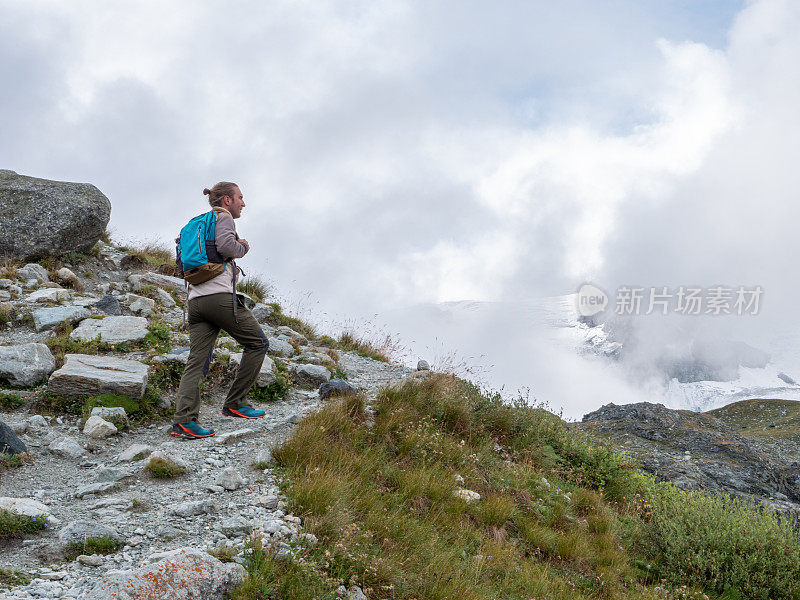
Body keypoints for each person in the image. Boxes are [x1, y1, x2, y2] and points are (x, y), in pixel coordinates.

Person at [171, 181, 269, 439]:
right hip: (219, 300)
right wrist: (244, 246)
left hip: (195, 302)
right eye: (240, 198)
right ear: (227, 200)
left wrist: (230, 269)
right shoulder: (223, 218)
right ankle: (236, 404)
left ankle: (184, 421)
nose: (243, 203)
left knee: (197, 360)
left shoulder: (198, 222)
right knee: (258, 344)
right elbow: (227, 247)